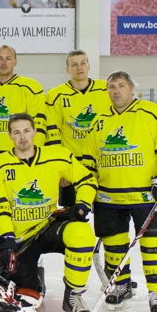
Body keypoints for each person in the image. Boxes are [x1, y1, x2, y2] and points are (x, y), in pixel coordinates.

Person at [82, 71, 157, 312]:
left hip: (145, 195)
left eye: (121, 86)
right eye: (111, 86)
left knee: (154, 244)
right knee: (114, 245)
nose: (116, 91)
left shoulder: (153, 113)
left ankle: (156, 292)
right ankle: (121, 285)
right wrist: (87, 190)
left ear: (132, 89)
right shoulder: (98, 121)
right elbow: (88, 161)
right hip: (108, 197)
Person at [0, 113, 97, 312]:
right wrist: (7, 238)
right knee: (26, 299)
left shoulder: (58, 156)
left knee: (82, 234)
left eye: (27, 131)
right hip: (22, 238)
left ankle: (73, 295)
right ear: (9, 136)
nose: (23, 137)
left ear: (35, 132)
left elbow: (87, 180)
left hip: (49, 226)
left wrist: (82, 206)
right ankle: (36, 277)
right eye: (17, 132)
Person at [0, 45, 46, 259]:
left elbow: (38, 127)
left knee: (20, 212)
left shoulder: (30, 88)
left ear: (15, 61)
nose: (3, 62)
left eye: (8, 58)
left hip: (17, 162)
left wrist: (34, 159)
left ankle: (24, 261)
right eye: (0, 58)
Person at [45, 50, 111, 208]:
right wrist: (60, 167)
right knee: (71, 214)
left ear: (89, 66)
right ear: (67, 69)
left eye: (83, 63)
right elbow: (53, 133)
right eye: (74, 64)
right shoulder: (55, 95)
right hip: (72, 165)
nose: (79, 67)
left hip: (102, 163)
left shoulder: (106, 89)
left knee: (106, 214)